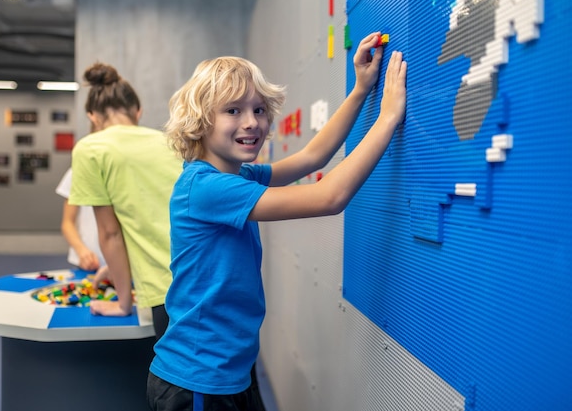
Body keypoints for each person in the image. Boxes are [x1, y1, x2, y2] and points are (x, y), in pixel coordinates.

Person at [147, 32, 407, 410]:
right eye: (233, 110)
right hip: (198, 381)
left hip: (228, 372)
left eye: (259, 110)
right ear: (201, 120)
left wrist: (360, 90)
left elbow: (313, 157)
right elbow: (329, 197)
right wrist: (387, 118)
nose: (252, 122)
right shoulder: (206, 189)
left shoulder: (239, 176)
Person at [68, 62, 183, 342]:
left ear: (92, 116)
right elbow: (160, 216)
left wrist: (123, 303)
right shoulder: (172, 142)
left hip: (166, 288)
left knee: (176, 385)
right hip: (211, 275)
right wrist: (121, 267)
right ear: (138, 110)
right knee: (237, 383)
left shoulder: (91, 148)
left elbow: (110, 233)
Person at [56, 167, 106, 272]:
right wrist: (82, 251)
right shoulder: (78, 171)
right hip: (90, 263)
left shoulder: (127, 171)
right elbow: (67, 223)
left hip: (126, 264)